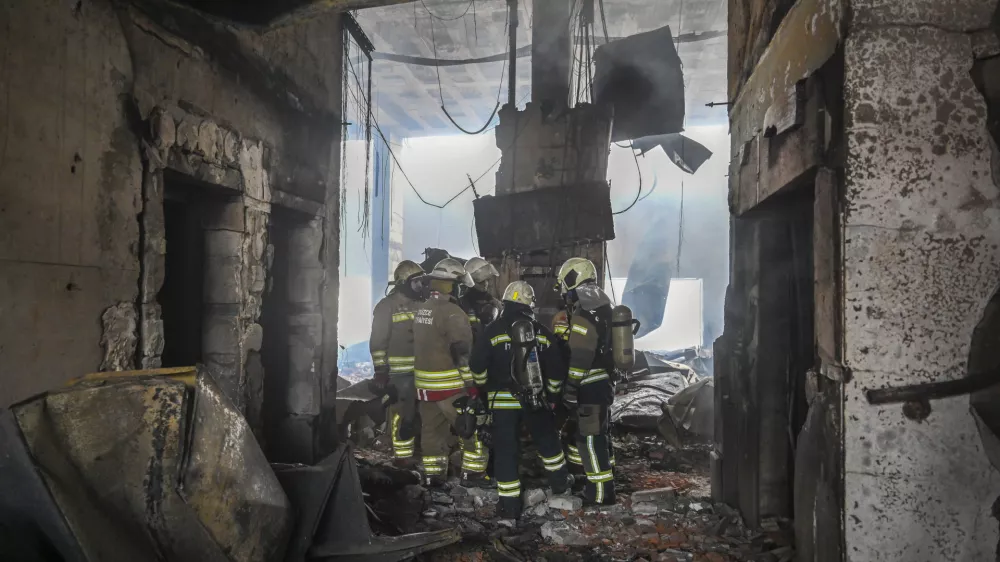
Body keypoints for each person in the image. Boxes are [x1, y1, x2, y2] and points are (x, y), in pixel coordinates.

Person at [470, 280, 572, 520]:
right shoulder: (541, 332)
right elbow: (557, 370)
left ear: (505, 302)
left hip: (501, 402)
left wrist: (484, 390)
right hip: (535, 399)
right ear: (530, 305)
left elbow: (476, 366)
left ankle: (509, 507)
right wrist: (554, 398)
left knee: (506, 451)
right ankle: (560, 486)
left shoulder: (492, 330)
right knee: (549, 445)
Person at [413, 258, 489, 487]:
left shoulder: (422, 309)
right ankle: (473, 474)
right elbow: (462, 354)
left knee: (432, 432)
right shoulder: (454, 313)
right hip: (451, 387)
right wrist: (473, 387)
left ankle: (433, 476)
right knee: (472, 428)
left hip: (424, 387)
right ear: (452, 285)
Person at [555, 257, 617, 506]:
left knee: (590, 439)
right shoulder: (601, 302)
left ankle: (600, 494)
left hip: (589, 385)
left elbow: (581, 355)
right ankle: (605, 481)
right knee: (601, 435)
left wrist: (570, 388)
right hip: (602, 383)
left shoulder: (584, 309)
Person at [370, 260, 425, 465]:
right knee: (401, 415)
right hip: (398, 374)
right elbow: (378, 341)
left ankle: (416, 453)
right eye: (416, 282)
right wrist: (381, 371)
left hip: (421, 371)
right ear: (403, 283)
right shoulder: (386, 307)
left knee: (418, 415)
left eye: (421, 282)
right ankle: (402, 457)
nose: (420, 287)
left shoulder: (421, 305)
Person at [460, 257, 502, 343]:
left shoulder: (495, 303)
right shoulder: (461, 304)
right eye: (481, 281)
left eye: (487, 280)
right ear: (469, 281)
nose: (486, 284)